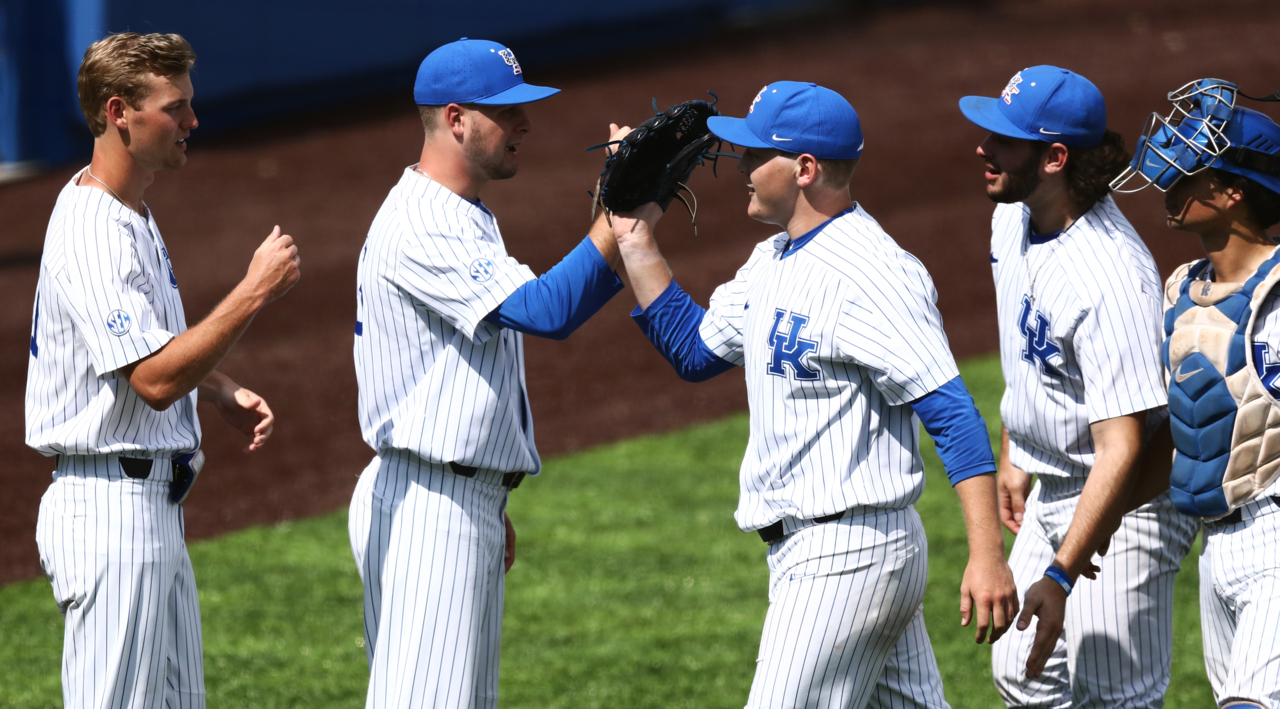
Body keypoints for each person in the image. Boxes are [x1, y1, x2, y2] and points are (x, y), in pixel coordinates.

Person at [608, 80, 1018, 709]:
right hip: (837, 553)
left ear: (805, 169)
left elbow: (952, 413)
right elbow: (694, 352)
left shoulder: (875, 273)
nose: (740, 168)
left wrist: (987, 557)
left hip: (847, 556)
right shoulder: (772, 259)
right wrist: (635, 239)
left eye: (754, 155)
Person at [347, 38, 626, 709]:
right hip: (430, 503)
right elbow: (547, 309)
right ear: (455, 119)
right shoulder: (424, 223)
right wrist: (622, 209)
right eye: (507, 111)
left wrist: (487, 496)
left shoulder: (461, 212)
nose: (525, 124)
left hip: (449, 494)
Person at [27, 32, 301, 709]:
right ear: (120, 113)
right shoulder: (94, 230)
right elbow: (149, 381)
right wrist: (254, 290)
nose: (192, 122)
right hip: (108, 511)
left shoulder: (129, 212)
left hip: (147, 509)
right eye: (175, 108)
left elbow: (135, 354)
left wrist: (216, 388)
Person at [957, 65, 1199, 707]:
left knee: (1112, 693)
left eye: (1004, 139)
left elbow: (1123, 447)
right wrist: (1014, 447)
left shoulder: (1109, 275)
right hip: (1056, 482)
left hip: (1129, 498)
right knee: (1021, 673)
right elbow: (1030, 348)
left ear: (1055, 157)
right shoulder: (1013, 218)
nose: (983, 148)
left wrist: (1063, 573)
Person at [1112, 78, 1280, 709]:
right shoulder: (1182, 289)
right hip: (1217, 545)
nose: (1170, 183)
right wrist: (1102, 522)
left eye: (1191, 172)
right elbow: (1183, 436)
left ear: (1234, 191)